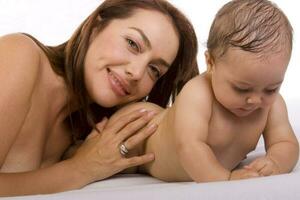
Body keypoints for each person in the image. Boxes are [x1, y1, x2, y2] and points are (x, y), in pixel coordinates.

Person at [0, 0, 199, 196]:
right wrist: (81, 168)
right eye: (132, 44)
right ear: (95, 26)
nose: (137, 72)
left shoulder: (88, 133)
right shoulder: (19, 54)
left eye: (154, 69)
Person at [107, 0, 299, 182]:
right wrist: (224, 178)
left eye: (271, 89)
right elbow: (190, 147)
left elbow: (286, 144)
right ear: (211, 62)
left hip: (161, 126)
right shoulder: (198, 94)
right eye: (241, 88)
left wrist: (275, 162)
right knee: (106, 153)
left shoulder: (272, 106)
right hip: (142, 133)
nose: (256, 100)